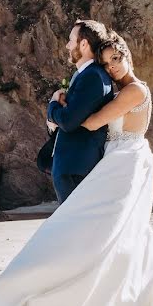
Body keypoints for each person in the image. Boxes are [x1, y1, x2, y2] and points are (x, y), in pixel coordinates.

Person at [0, 33, 153, 306]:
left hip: (125, 161)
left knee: (105, 235)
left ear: (128, 56)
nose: (111, 67)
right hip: (114, 160)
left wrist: (59, 105)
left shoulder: (135, 90)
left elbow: (94, 121)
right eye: (106, 62)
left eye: (116, 60)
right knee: (118, 237)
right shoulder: (117, 88)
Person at [46, 20, 115, 203]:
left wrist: (52, 105)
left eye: (71, 40)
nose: (67, 45)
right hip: (72, 167)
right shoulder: (87, 75)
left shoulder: (93, 76)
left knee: (74, 228)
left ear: (83, 44)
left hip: (76, 169)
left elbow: (69, 121)